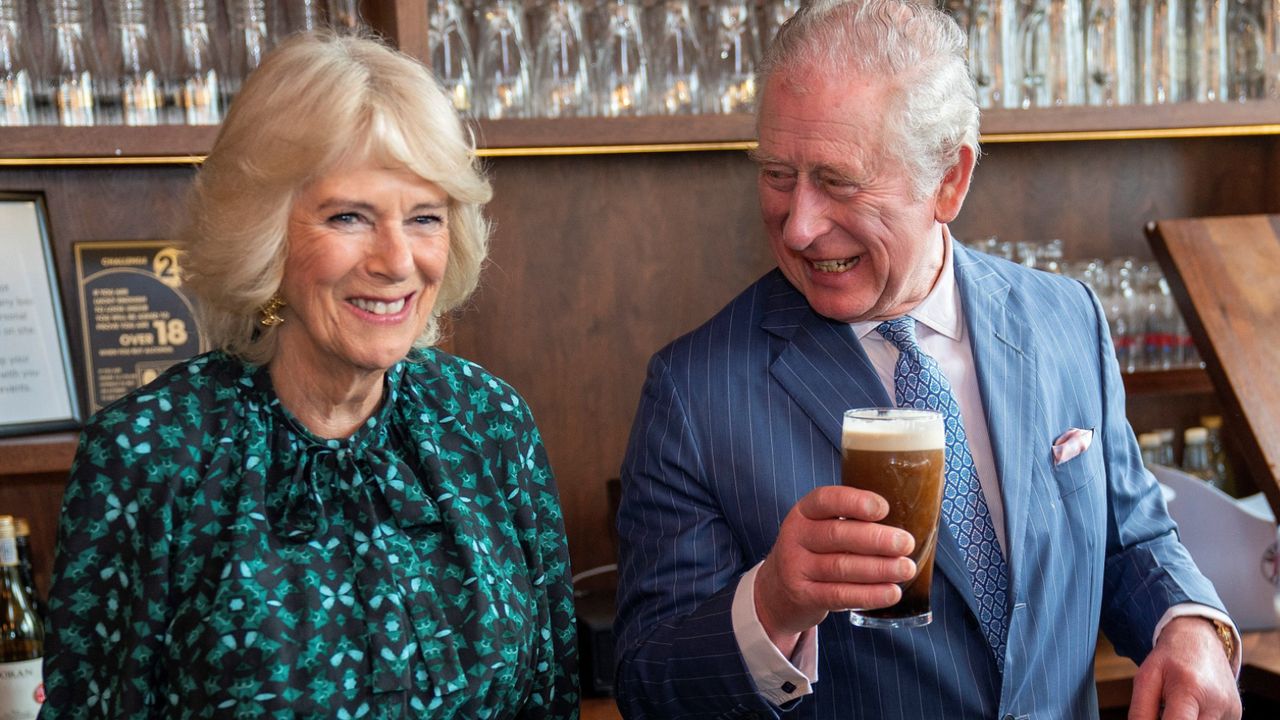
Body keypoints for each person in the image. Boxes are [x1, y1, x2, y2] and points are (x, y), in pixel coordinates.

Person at [613, 1, 1241, 718]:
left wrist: (1189, 623)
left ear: (950, 180)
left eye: (838, 182)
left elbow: (1131, 536)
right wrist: (773, 603)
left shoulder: (1067, 318)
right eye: (779, 175)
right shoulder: (692, 393)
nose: (800, 224)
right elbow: (647, 685)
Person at [42, 31, 578, 718]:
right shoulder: (148, 454)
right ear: (262, 232)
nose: (396, 259)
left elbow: (551, 692)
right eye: (348, 216)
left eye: (424, 218)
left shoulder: (489, 422)